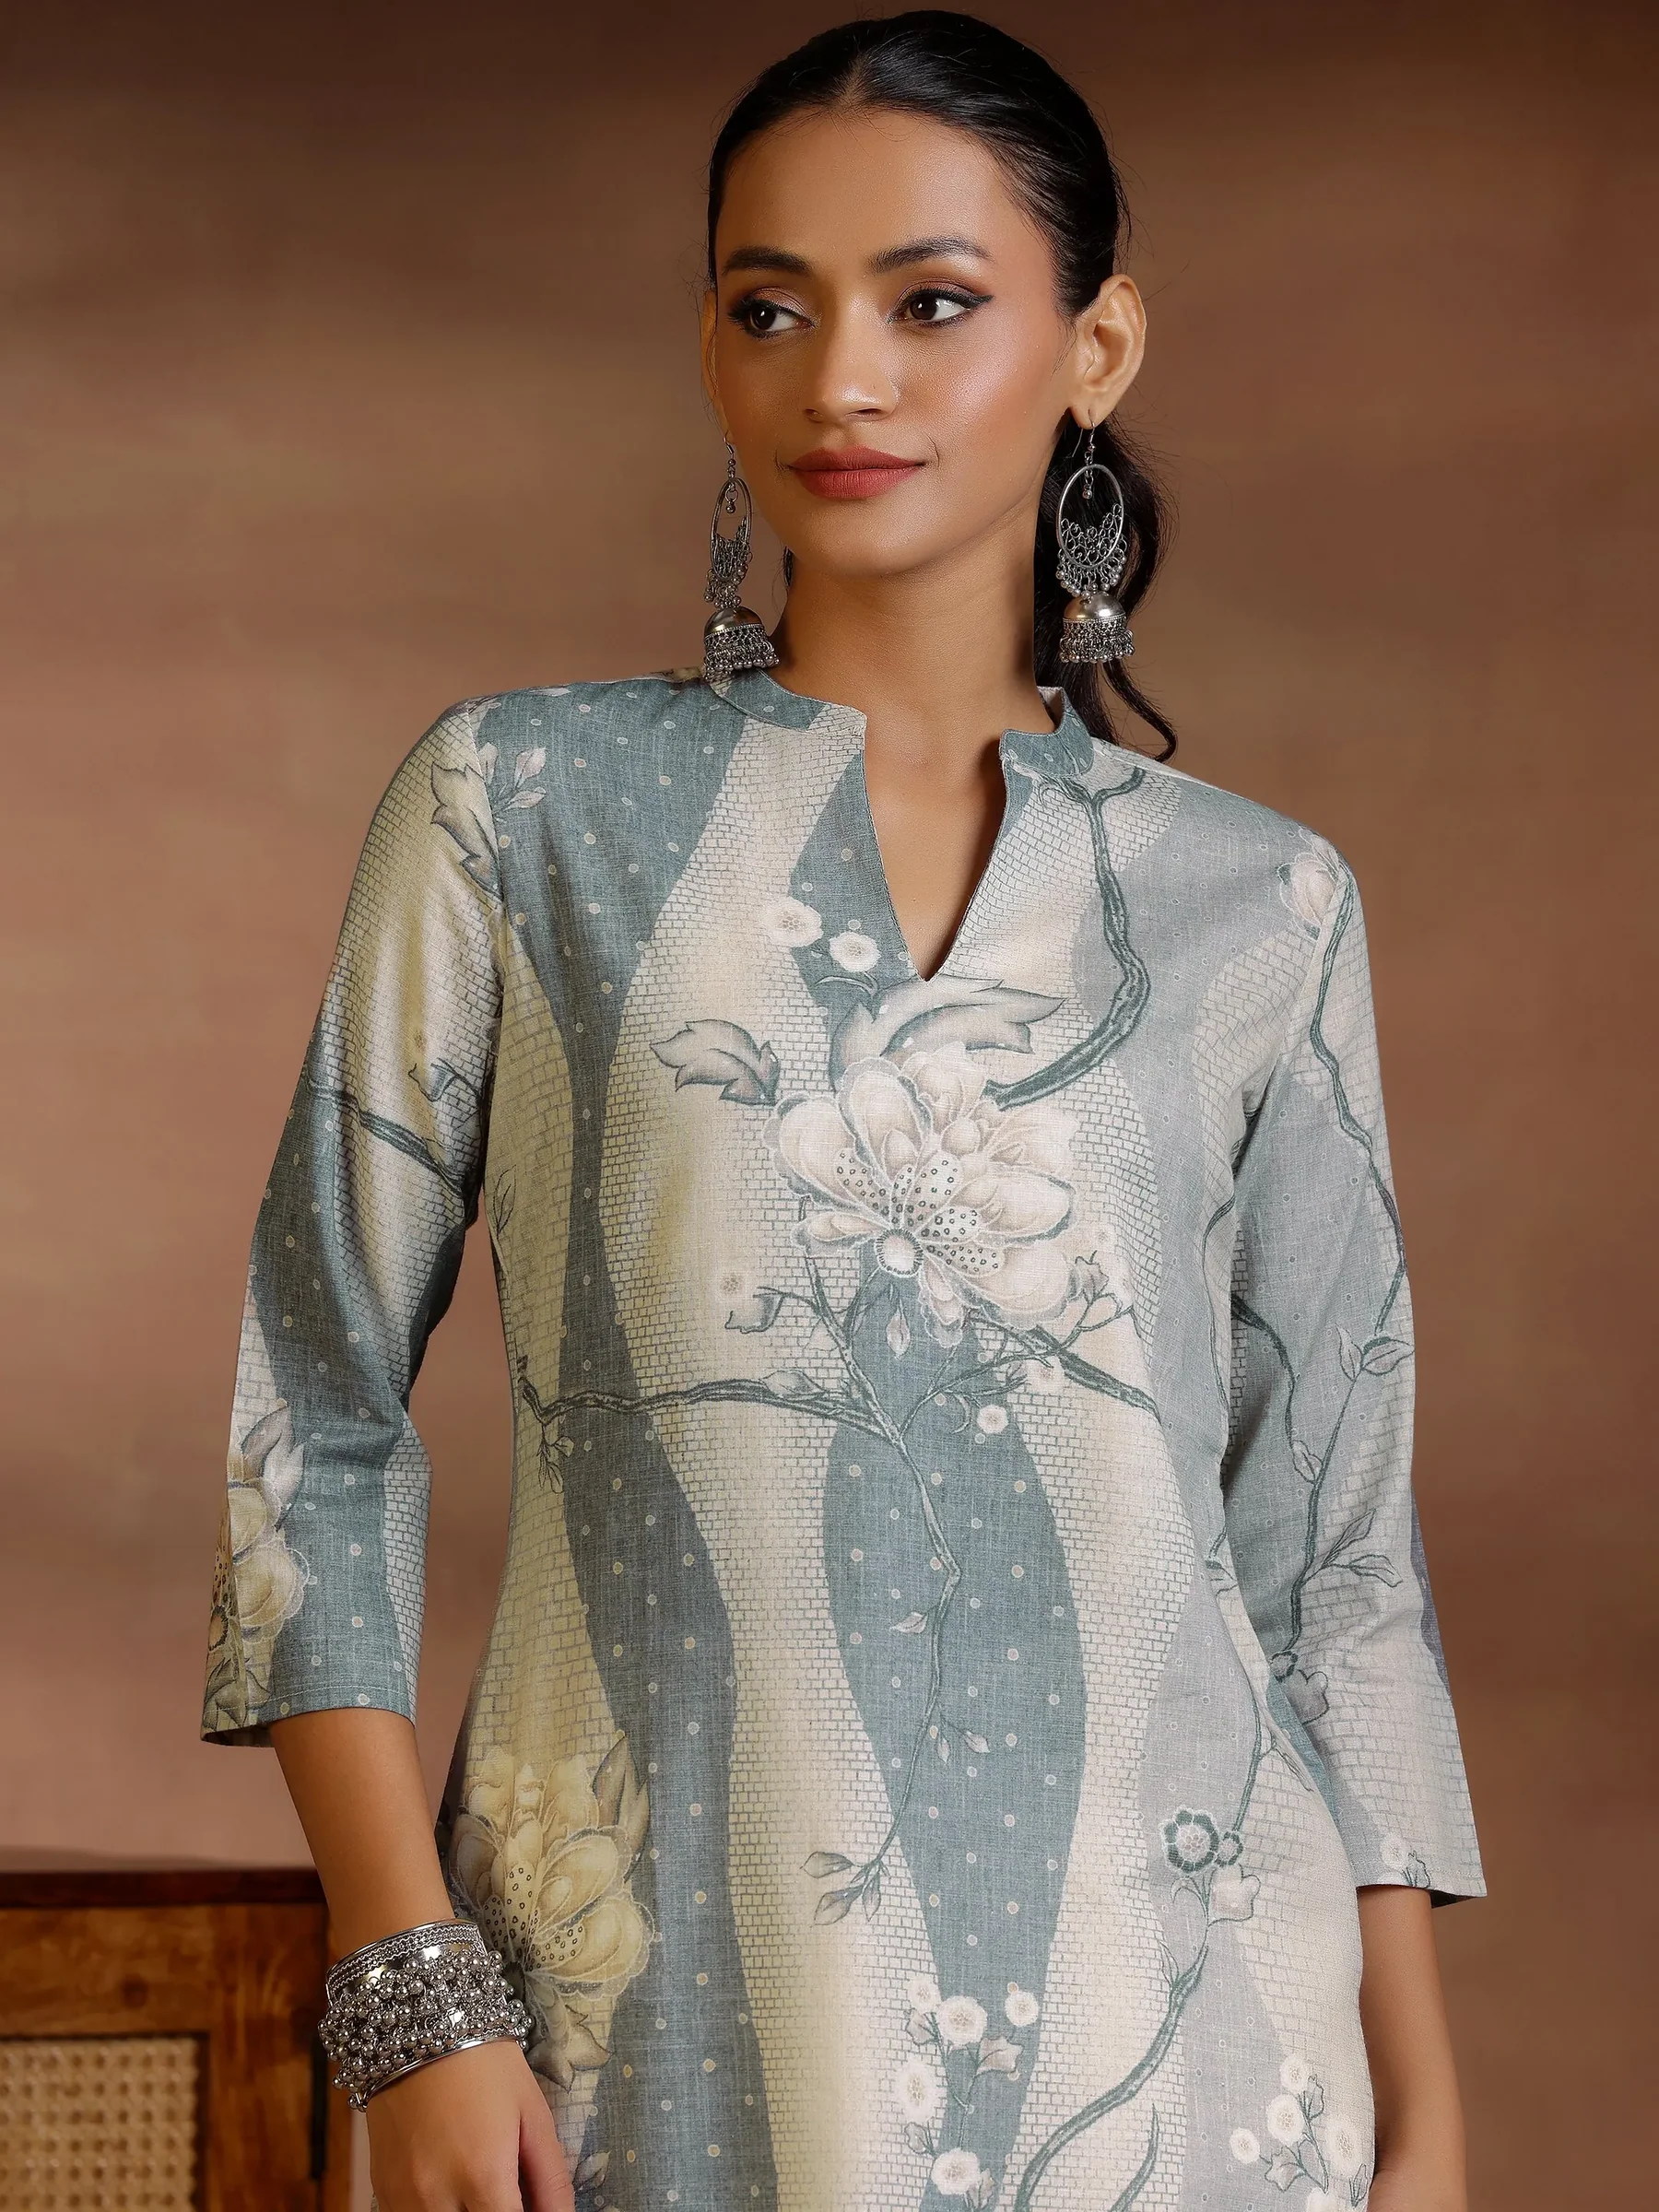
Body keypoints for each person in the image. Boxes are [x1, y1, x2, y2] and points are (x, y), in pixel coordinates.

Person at [202, 14, 1484, 2211]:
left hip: (1194, 2064)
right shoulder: (520, 813)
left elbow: (1332, 1558)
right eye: (769, 307)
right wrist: (411, 1983)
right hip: (644, 2035)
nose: (842, 381)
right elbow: (310, 1416)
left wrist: (1423, 2108)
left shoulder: (1257, 907)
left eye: (933, 303)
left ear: (1097, 348)